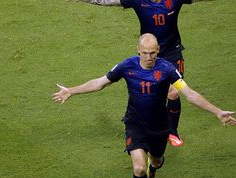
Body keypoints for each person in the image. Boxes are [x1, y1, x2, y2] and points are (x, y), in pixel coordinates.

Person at [52, 33, 236, 178]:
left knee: (156, 161)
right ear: (138, 50)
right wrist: (71, 90)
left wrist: (217, 112)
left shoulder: (166, 69)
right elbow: (100, 83)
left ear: (158, 51)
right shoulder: (127, 66)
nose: (149, 57)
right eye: (145, 53)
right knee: (139, 168)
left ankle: (155, 165)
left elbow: (190, 94)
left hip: (159, 127)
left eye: (153, 53)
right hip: (135, 125)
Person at [80, 0, 203, 147]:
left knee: (173, 93)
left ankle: (172, 132)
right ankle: (143, 122)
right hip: (148, 55)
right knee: (151, 92)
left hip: (172, 53)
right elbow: (109, 1)